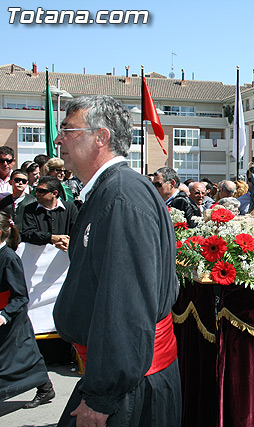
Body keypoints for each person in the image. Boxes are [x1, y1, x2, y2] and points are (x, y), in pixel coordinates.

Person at [53, 95, 181, 426]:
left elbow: (126, 306)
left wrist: (100, 398)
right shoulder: (112, 192)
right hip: (119, 380)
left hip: (126, 389)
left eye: (68, 129)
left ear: (101, 137)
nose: (58, 138)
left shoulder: (122, 197)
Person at [0, 211, 55, 407]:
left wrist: (5, 314)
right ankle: (45, 387)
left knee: (21, 356)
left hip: (10, 315)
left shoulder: (8, 257)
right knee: (24, 354)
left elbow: (20, 295)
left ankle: (44, 388)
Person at [21, 176, 78, 251]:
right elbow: (28, 233)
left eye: (41, 191)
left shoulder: (70, 208)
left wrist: (66, 241)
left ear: (54, 193)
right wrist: (51, 238)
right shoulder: (30, 209)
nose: (37, 193)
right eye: (36, 190)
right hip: (39, 258)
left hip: (65, 256)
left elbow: (77, 231)